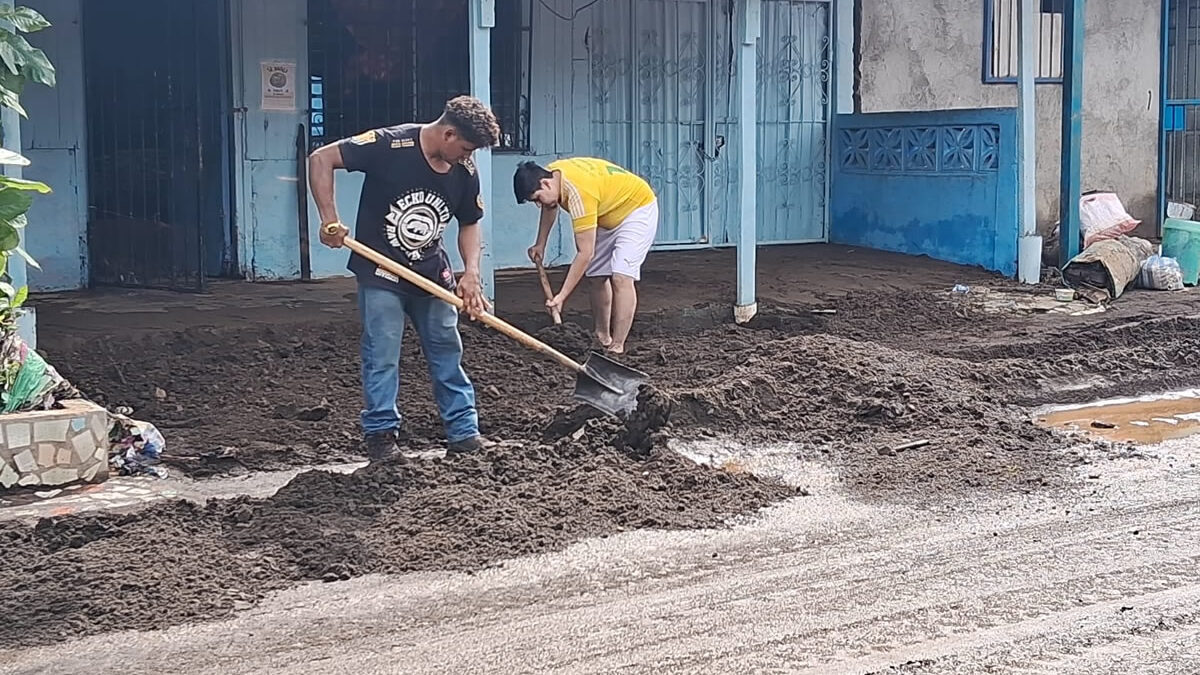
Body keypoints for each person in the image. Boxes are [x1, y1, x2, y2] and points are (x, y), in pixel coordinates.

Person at [308, 96, 500, 461]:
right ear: (448, 133)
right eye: (465, 147)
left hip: (431, 274)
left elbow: (470, 223)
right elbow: (322, 158)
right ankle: (381, 436)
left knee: (447, 352)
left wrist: (471, 272)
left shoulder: (465, 171)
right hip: (382, 271)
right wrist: (328, 218)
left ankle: (463, 433)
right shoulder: (389, 144)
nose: (467, 156)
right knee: (381, 354)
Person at [513, 157, 658, 355]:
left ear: (545, 183)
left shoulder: (579, 194)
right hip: (608, 213)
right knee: (596, 276)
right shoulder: (553, 174)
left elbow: (585, 253)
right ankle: (602, 336)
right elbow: (550, 206)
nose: (539, 205)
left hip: (636, 209)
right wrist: (541, 243)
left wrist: (561, 297)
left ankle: (617, 345)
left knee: (621, 276)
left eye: (537, 199)